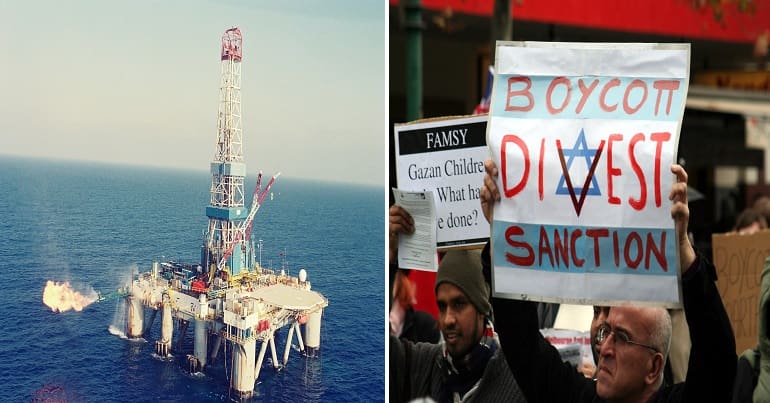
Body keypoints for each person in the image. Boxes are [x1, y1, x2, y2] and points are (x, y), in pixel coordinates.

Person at [480, 159, 736, 402]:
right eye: (605, 332)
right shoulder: (580, 397)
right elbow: (522, 343)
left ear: (654, 366)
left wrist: (682, 252)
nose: (604, 348)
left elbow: (717, 357)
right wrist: (503, 235)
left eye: (622, 337)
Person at [389, 207, 526, 402]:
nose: (448, 320)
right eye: (442, 306)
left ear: (482, 308)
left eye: (459, 304)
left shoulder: (516, 379)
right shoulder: (424, 364)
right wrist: (389, 256)